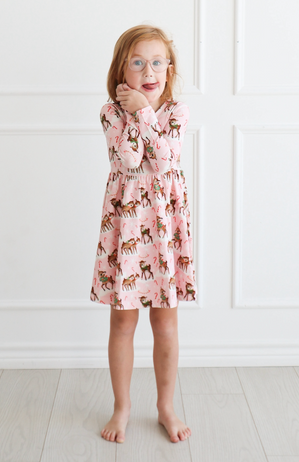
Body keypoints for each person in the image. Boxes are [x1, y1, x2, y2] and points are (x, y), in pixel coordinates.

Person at [91, 25, 197, 444]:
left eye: (156, 63)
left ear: (169, 70)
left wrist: (146, 113)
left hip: (163, 229)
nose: (148, 71)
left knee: (165, 321)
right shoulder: (111, 113)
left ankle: (165, 406)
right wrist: (135, 112)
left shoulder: (176, 112)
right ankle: (122, 407)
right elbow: (129, 158)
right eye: (138, 63)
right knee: (122, 320)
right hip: (127, 226)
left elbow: (167, 160)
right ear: (122, 70)